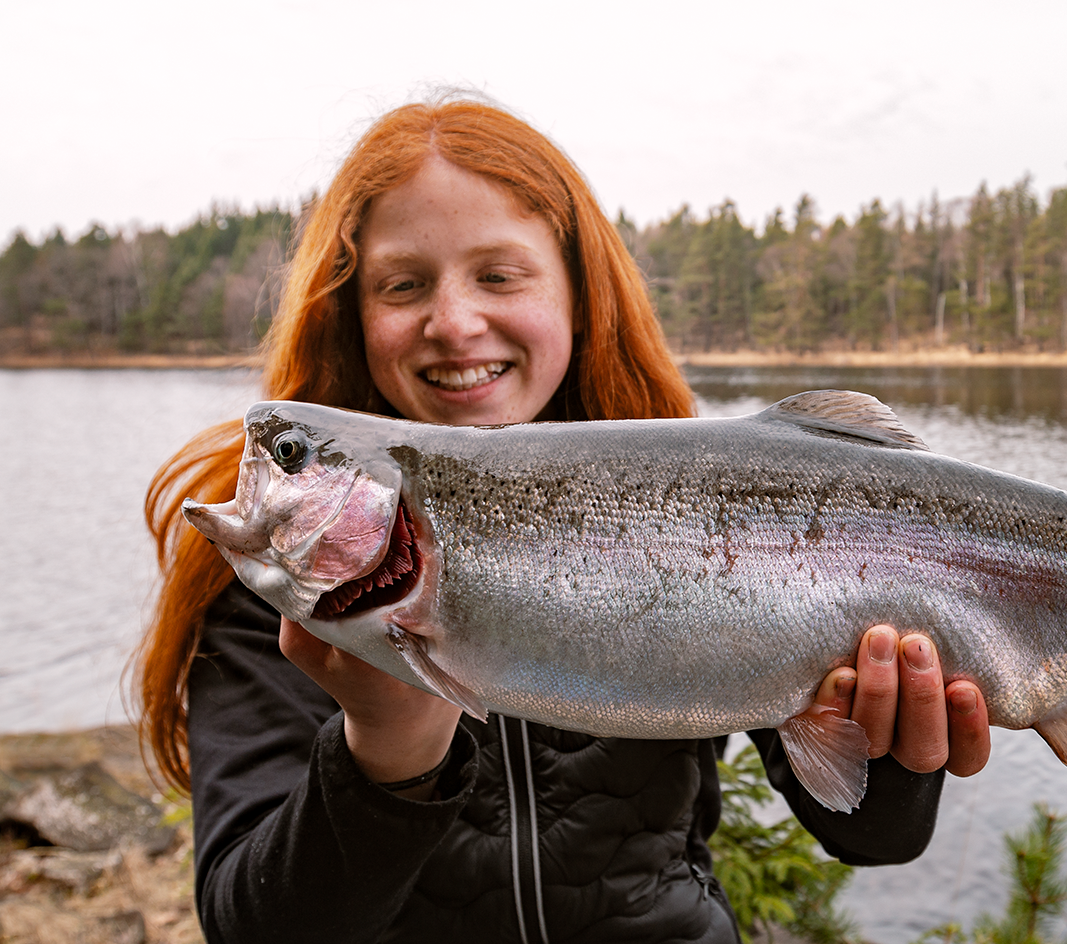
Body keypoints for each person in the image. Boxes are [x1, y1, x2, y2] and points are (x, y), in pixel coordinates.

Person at [137, 98, 991, 944]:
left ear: (580, 295)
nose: (456, 322)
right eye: (403, 285)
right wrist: (384, 755)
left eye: (500, 275)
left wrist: (897, 748)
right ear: (351, 313)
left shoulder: (707, 501)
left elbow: (870, 835)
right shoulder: (285, 573)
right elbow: (251, 925)